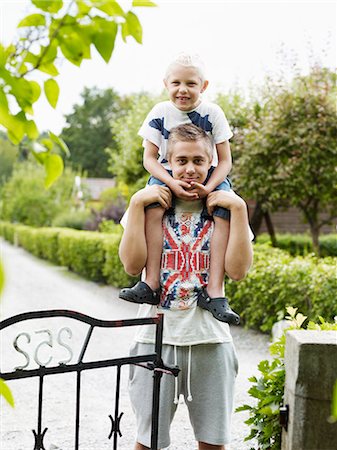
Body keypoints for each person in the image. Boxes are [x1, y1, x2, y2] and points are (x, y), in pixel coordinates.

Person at [119, 124, 253, 450]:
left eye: (198, 160)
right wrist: (137, 203)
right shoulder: (151, 204)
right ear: (167, 162)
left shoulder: (225, 208)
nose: (190, 169)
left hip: (210, 341)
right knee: (147, 441)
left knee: (213, 443)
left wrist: (240, 208)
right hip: (154, 338)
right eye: (181, 160)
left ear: (212, 163)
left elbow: (237, 271)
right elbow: (131, 265)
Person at [119, 53, 239, 324]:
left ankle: (215, 291)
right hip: (167, 171)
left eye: (190, 84)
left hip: (207, 172)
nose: (182, 90)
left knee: (224, 210)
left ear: (203, 86)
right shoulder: (160, 112)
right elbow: (149, 158)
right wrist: (171, 183)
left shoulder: (213, 113)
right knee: (152, 205)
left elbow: (225, 159)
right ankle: (150, 283)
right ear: (165, 84)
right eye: (176, 83)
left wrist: (209, 188)